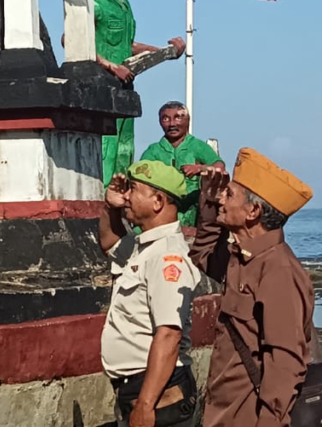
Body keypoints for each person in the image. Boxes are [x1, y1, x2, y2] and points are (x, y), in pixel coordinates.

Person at [190, 149, 314, 427]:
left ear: (253, 211)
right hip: (223, 414)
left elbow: (285, 363)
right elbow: (203, 254)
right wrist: (210, 201)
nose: (222, 198)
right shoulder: (242, 256)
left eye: (230, 194)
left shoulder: (278, 270)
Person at [99, 161, 199, 427]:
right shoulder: (142, 244)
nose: (127, 195)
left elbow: (169, 334)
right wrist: (111, 207)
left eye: (134, 189)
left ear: (158, 201)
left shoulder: (167, 256)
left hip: (157, 390)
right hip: (137, 387)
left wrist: (145, 404)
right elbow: (109, 243)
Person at [93, 0, 186, 185]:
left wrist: (164, 52)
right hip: (103, 92)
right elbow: (72, 39)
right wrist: (112, 66)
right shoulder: (94, 1)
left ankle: (122, 208)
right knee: (107, 150)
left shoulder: (124, 3)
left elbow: (127, 44)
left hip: (126, 91)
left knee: (125, 153)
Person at [140, 102, 225, 227]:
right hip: (161, 213)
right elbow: (140, 175)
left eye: (178, 117)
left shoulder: (197, 146)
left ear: (187, 121)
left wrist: (200, 168)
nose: (172, 124)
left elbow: (219, 167)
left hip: (193, 213)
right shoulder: (154, 150)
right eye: (166, 119)